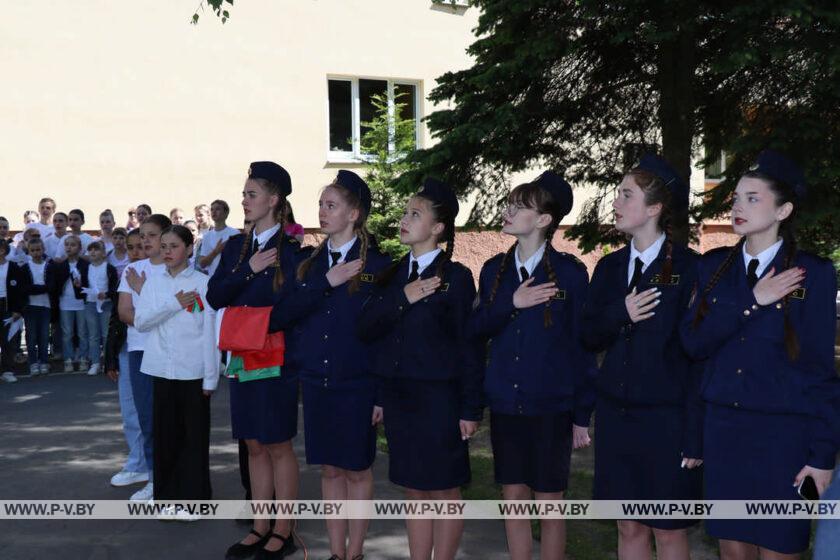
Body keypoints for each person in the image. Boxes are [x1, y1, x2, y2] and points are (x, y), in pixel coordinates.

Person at [681, 150, 838, 558]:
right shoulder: (713, 268)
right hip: (725, 432)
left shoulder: (812, 274)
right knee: (733, 552)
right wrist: (753, 300)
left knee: (779, 551)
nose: (737, 206)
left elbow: (821, 371)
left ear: (783, 209)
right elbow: (694, 346)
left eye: (752, 198)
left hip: (783, 439)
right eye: (735, 198)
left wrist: (822, 456)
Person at [581, 155, 703, 560]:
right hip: (617, 417)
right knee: (628, 524)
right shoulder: (609, 268)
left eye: (625, 194)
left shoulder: (691, 269)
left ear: (654, 208)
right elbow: (586, 335)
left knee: (667, 528)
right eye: (617, 192)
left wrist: (694, 432)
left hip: (668, 420)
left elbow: (699, 355)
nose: (615, 202)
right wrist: (621, 313)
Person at [470, 171, 595, 560]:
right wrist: (512, 304)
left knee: (549, 502)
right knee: (513, 496)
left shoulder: (571, 274)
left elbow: (583, 347)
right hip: (507, 403)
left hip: (552, 406)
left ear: (543, 220)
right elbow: (475, 329)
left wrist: (581, 415)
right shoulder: (494, 271)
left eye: (519, 206)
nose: (507, 211)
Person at [357, 178, 482, 560]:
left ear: (438, 228)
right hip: (400, 398)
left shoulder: (456, 278)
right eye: (405, 212)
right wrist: (403, 298)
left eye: (415, 214)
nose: (405, 219)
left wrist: (469, 408)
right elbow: (367, 329)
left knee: (444, 490)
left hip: (439, 400)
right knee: (414, 488)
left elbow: (469, 345)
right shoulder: (393, 276)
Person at [272, 170, 391, 560]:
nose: (322, 212)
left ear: (354, 213)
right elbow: (281, 315)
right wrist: (325, 281)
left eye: (331, 205)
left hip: (358, 383)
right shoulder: (308, 264)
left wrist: (381, 394)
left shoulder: (378, 265)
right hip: (318, 382)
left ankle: (354, 552)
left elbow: (386, 336)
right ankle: (336, 552)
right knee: (329, 470)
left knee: (356, 470)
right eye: (321, 204)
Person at [208, 161, 302, 560]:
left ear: (274, 199)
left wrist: (255, 323)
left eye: (251, 194)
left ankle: (284, 529)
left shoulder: (294, 250)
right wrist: (247, 270)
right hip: (243, 356)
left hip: (276, 356)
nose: (244, 201)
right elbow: (214, 295)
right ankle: (260, 525)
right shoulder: (235, 248)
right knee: (253, 444)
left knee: (278, 443)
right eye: (244, 194)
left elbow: (294, 306)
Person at [134, 225, 219, 519]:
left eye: (174, 246)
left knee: (193, 438)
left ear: (189, 248)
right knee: (166, 436)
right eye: (164, 246)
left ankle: (195, 501)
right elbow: (142, 321)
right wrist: (173, 304)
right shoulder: (154, 283)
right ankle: (167, 499)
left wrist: (211, 377)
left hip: (193, 371)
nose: (168, 251)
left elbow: (209, 332)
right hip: (160, 369)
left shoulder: (202, 283)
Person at [118, 214, 172, 502]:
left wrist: (149, 314)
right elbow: (125, 313)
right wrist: (159, 316)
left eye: (152, 234)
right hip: (140, 352)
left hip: (174, 351)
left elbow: (186, 312)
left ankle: (175, 478)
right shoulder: (133, 269)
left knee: (172, 417)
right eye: (143, 234)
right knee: (148, 417)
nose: (145, 240)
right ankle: (154, 478)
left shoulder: (175, 270)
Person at [105, 227, 149, 488]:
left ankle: (153, 468)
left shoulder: (158, 274)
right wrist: (110, 356)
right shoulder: (125, 276)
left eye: (140, 246)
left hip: (150, 351)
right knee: (130, 412)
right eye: (130, 247)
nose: (135, 252)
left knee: (149, 413)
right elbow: (116, 319)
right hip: (126, 351)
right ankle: (137, 463)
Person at [49, 235, 89, 372]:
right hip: (65, 303)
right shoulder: (60, 266)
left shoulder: (85, 265)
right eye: (67, 245)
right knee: (67, 333)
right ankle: (68, 359)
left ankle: (83, 358)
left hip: (81, 303)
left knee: (83, 332)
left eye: (72, 245)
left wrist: (81, 285)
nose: (69, 247)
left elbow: (89, 284)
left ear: (79, 248)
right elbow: (56, 286)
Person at [81, 240, 118, 376]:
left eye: (96, 249)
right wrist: (78, 284)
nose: (93, 252)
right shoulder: (86, 268)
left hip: (106, 304)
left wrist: (107, 294)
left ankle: (108, 364)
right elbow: (82, 287)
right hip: (91, 304)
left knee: (106, 334)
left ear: (104, 253)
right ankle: (95, 363)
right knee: (93, 335)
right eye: (90, 250)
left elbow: (115, 287)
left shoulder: (109, 268)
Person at [20, 237, 52, 375]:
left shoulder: (48, 266)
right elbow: (25, 288)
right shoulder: (25, 268)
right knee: (31, 336)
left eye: (38, 249)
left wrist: (37, 288)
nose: (36, 252)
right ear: (29, 252)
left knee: (44, 335)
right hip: (30, 306)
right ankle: (33, 362)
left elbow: (51, 286)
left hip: (45, 305)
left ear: (43, 250)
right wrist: (41, 288)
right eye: (32, 250)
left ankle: (44, 361)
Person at [0, 239, 25, 383]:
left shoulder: (14, 267)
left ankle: (8, 370)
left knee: (7, 339)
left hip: (7, 305)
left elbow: (19, 291)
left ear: (2, 250)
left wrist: (17, 309)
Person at [197, 199, 239, 277]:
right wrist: (216, 251)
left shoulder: (235, 233)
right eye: (212, 209)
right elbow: (202, 264)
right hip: (212, 279)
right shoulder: (207, 236)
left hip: (230, 279)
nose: (214, 211)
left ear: (226, 213)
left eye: (218, 209)